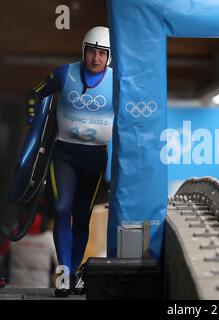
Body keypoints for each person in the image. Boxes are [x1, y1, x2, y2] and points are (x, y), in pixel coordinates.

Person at [26, 26, 113, 297]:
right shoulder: (65, 73)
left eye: (102, 53)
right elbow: (35, 94)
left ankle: (74, 272)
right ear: (83, 51)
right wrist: (34, 121)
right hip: (64, 154)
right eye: (92, 52)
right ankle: (63, 272)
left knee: (83, 215)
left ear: (109, 57)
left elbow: (135, 112)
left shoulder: (118, 81)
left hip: (95, 158)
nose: (96, 58)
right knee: (62, 208)